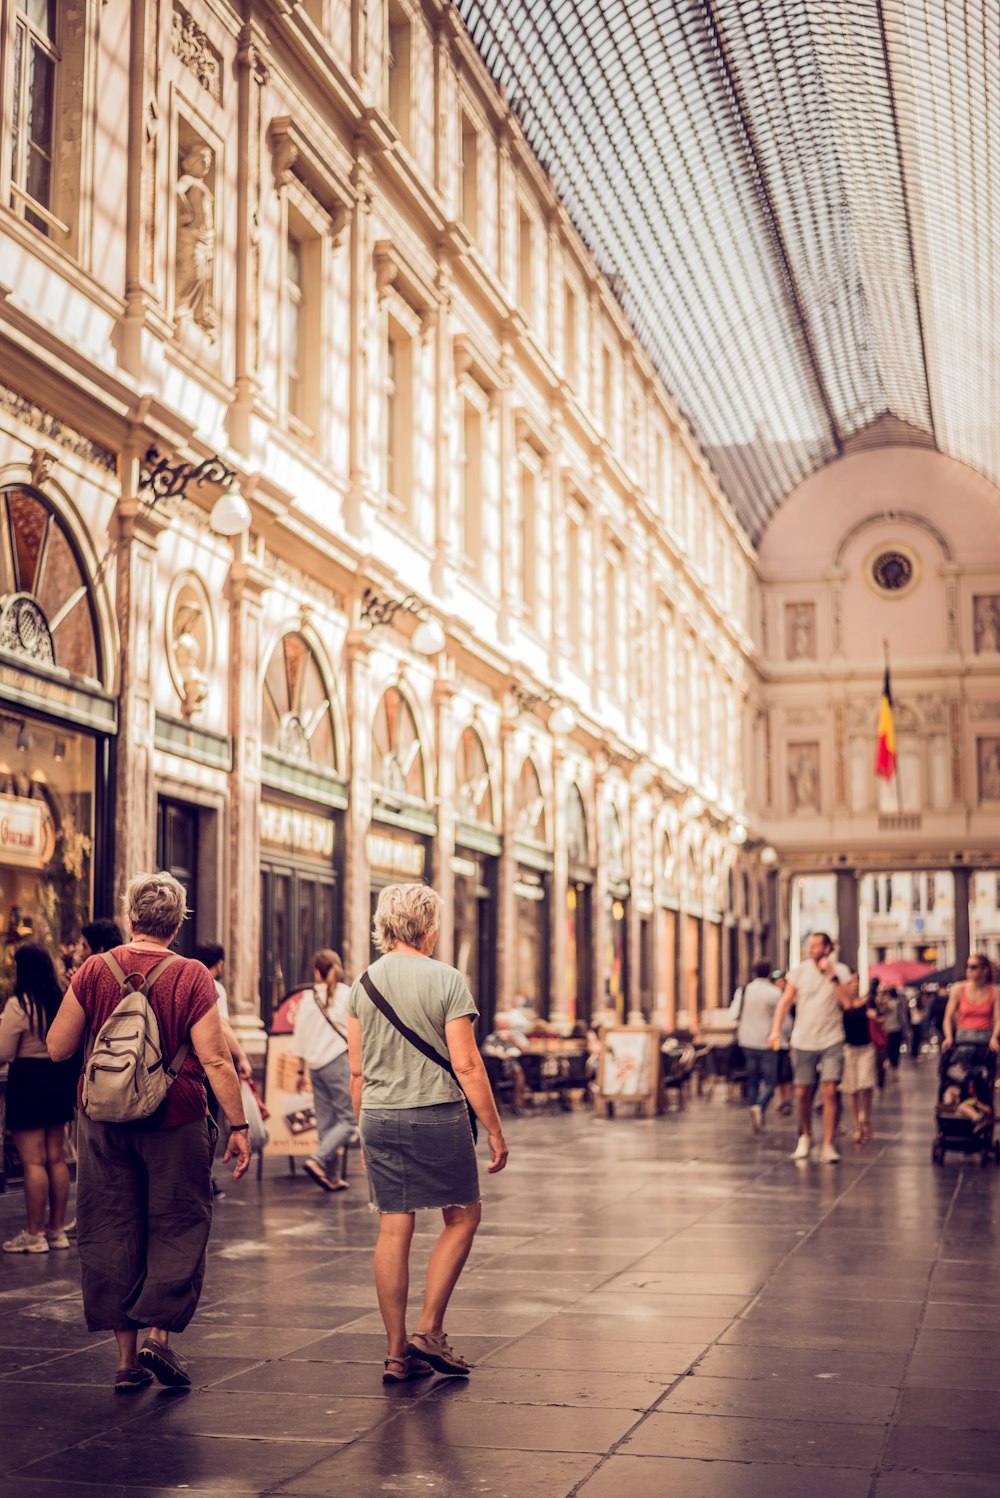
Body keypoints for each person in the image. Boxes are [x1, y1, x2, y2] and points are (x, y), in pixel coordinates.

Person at [46, 871, 252, 1393]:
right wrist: (239, 1125)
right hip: (176, 1118)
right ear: (177, 922)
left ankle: (124, 1362)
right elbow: (215, 1058)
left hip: (103, 1120)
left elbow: (58, 1047)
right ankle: (157, 1337)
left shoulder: (95, 969)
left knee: (111, 1226)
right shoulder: (192, 976)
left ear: (129, 917)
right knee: (177, 1223)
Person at [347, 882, 508, 1383]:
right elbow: (466, 1062)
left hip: (377, 1114)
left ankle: (397, 1353)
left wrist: (362, 1133)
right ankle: (429, 1329)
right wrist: (495, 1130)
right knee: (461, 1217)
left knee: (394, 1226)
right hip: (436, 1112)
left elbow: (357, 1072)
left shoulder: (363, 984)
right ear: (428, 927)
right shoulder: (447, 979)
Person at [0, 945, 79, 1253]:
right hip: (56, 1079)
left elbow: (4, 1052)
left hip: (29, 1081)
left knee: (33, 1161)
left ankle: (34, 1235)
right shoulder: (58, 1000)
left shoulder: (20, 1005)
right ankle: (56, 1230)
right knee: (56, 1158)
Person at [769, 931, 852, 1163]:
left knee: (829, 1092)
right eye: (809, 946)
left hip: (832, 1039)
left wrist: (832, 975)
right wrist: (775, 1030)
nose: (810, 950)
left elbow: (848, 1003)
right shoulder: (799, 972)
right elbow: (785, 1002)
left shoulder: (841, 971)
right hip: (803, 1040)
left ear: (827, 948)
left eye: (815, 946)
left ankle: (828, 1143)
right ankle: (805, 1136)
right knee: (803, 1093)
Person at [291, 949, 354, 1192]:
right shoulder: (346, 995)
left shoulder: (307, 998)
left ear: (316, 971)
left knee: (327, 1123)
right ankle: (317, 1160)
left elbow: (300, 1038)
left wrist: (299, 1072)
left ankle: (332, 1176)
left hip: (315, 1068)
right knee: (349, 1121)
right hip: (337, 1062)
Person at [732, 959, 783, 1134]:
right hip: (768, 1041)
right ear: (769, 973)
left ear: (753, 972)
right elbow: (782, 1018)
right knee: (771, 1080)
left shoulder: (744, 991)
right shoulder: (775, 993)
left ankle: (755, 1108)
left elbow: (733, 1014)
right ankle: (760, 1107)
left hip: (747, 1040)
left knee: (752, 1080)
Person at [840, 973, 877, 1143]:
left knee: (865, 1086)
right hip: (849, 1049)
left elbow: (881, 1016)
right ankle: (856, 1126)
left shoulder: (867, 1002)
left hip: (865, 1048)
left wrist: (876, 1016)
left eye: (856, 981)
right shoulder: (842, 1004)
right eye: (850, 981)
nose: (854, 985)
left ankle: (866, 1119)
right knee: (851, 1089)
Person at [942, 956, 1000, 1058]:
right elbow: (948, 1017)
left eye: (973, 967)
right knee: (958, 1065)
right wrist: (948, 1037)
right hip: (964, 1037)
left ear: (985, 970)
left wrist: (995, 1037)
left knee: (989, 1065)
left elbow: (998, 1018)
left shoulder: (994, 991)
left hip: (985, 1037)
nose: (969, 970)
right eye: (967, 966)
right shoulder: (958, 989)